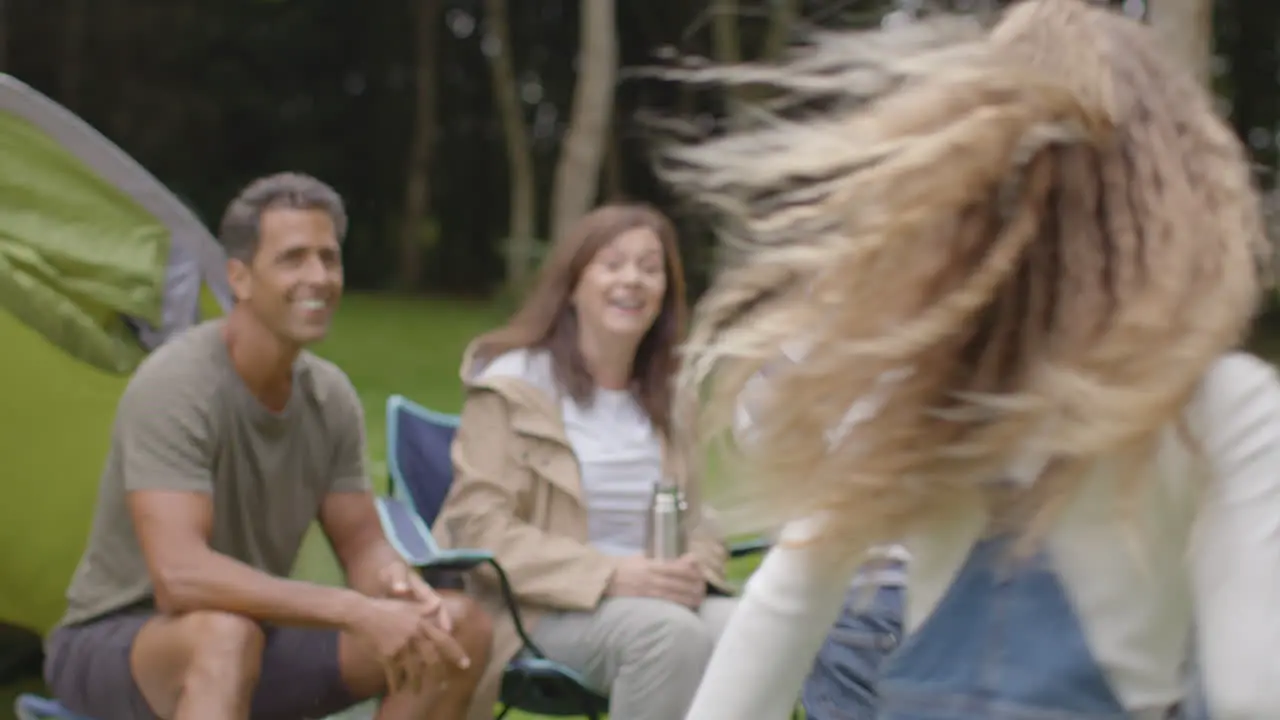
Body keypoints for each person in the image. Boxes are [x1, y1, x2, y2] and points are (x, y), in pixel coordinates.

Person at [656, 0, 1280, 717]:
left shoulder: (926, 392)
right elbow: (1251, 694)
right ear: (1178, 187)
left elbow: (782, 610)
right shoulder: (1223, 402)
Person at [43, 172, 493, 720]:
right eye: (293, 259)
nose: (319, 277)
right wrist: (352, 609)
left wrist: (395, 588)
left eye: (329, 258)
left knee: (456, 627)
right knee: (224, 637)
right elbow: (179, 577)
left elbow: (362, 546)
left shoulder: (329, 395)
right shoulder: (178, 384)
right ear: (240, 277)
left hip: (256, 637)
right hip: (119, 642)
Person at [433, 203, 737, 720]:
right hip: (538, 607)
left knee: (755, 631)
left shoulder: (669, 397)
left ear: (665, 293)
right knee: (670, 637)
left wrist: (693, 568)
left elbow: (698, 521)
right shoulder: (513, 387)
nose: (632, 280)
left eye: (649, 267)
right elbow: (477, 528)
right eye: (613, 263)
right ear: (573, 285)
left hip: (653, 599)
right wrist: (610, 575)